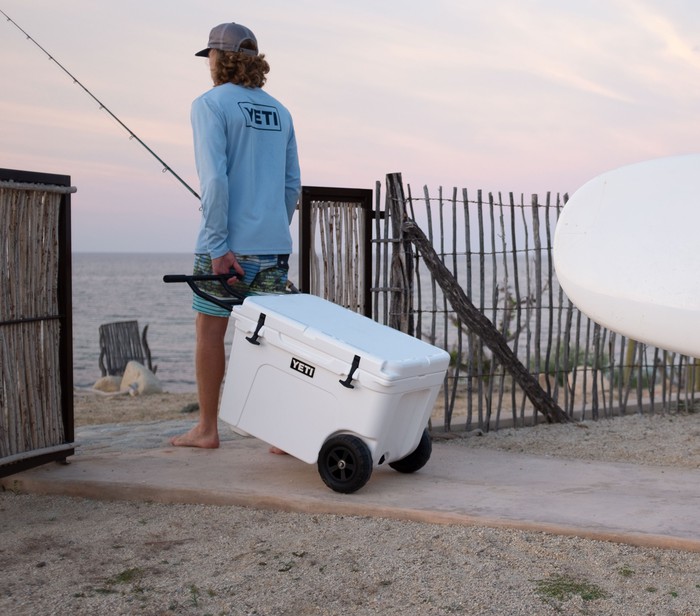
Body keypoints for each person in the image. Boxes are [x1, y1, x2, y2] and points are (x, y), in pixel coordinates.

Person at [170, 22, 301, 449]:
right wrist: (270, 226)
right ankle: (281, 434)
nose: (207, 62)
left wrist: (218, 246)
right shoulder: (280, 111)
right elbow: (291, 185)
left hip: (227, 247)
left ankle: (207, 429)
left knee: (210, 331)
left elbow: (215, 183)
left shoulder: (210, 104)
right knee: (270, 339)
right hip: (274, 245)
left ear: (220, 59)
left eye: (208, 54)